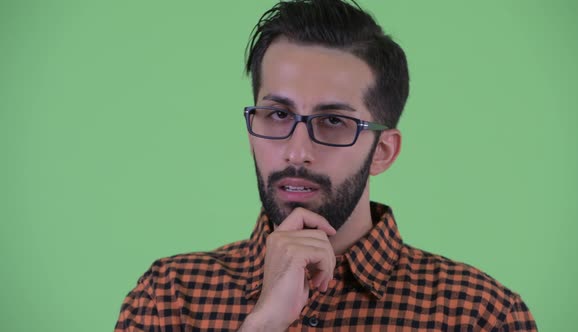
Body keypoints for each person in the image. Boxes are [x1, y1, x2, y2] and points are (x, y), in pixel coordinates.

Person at [115, 0, 537, 330]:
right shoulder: (168, 297)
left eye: (333, 121)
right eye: (278, 115)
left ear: (384, 151)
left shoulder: (481, 316)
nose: (297, 151)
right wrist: (263, 325)